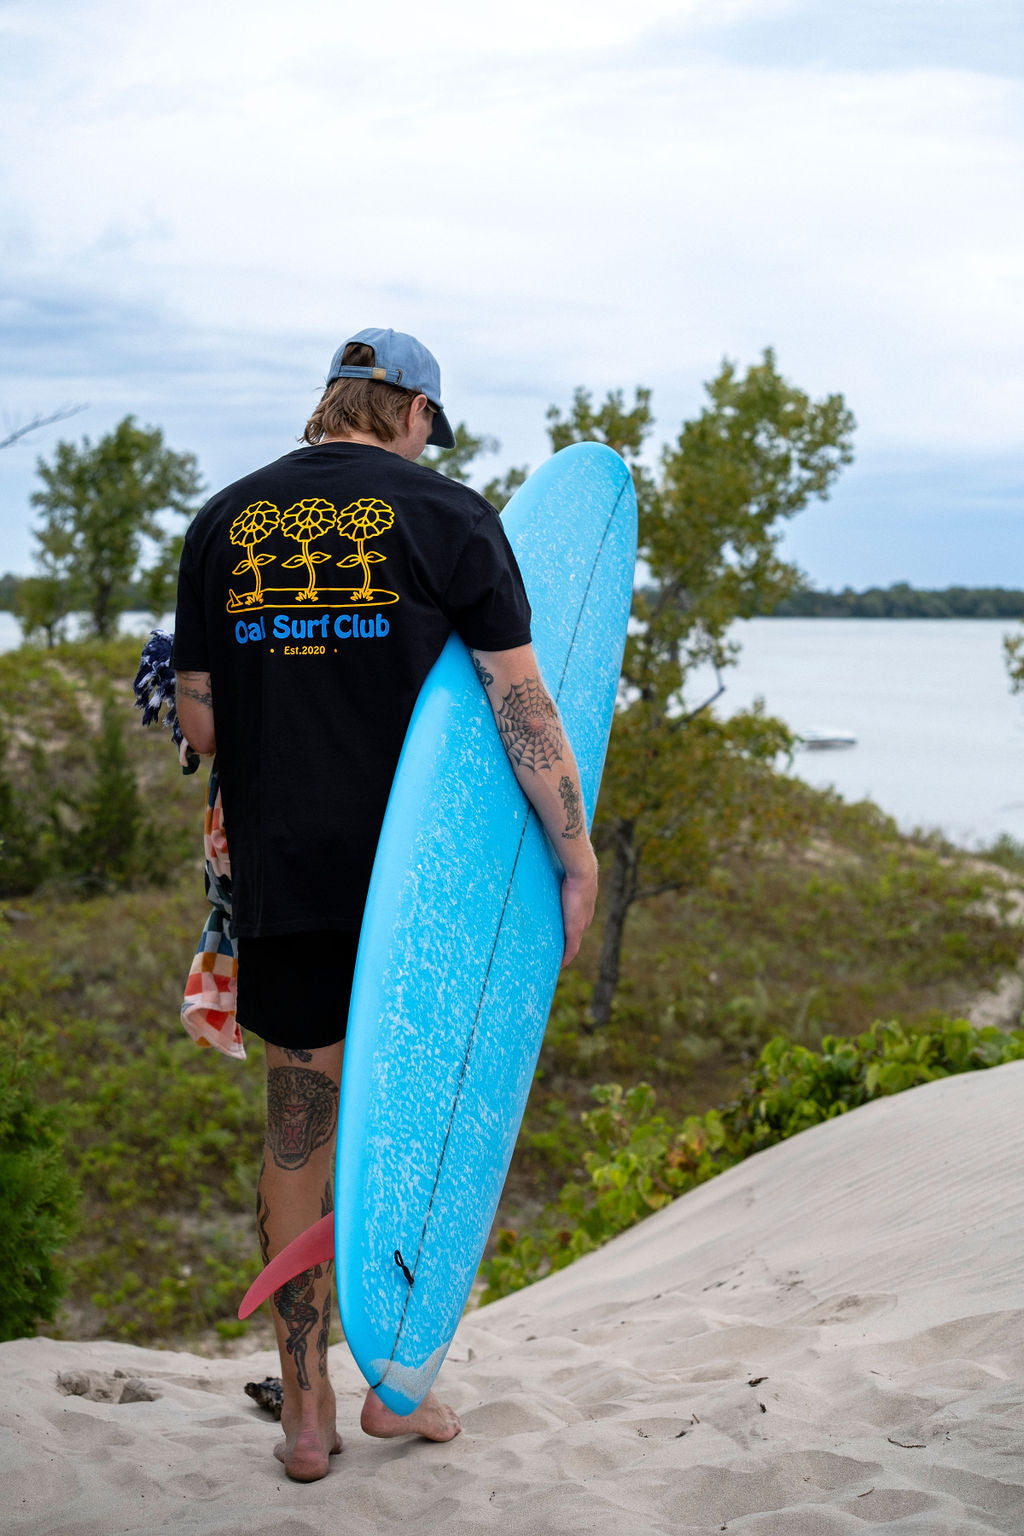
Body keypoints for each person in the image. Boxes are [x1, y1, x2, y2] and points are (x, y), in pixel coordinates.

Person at [172, 327, 599, 1482]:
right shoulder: (448, 515)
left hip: (284, 876)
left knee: (298, 1126)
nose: (427, 439)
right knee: (420, 1125)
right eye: (427, 421)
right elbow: (521, 707)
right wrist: (573, 848)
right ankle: (400, 1387)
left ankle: (305, 1410)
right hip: (429, 893)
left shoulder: (223, 522)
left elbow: (202, 725)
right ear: (407, 408)